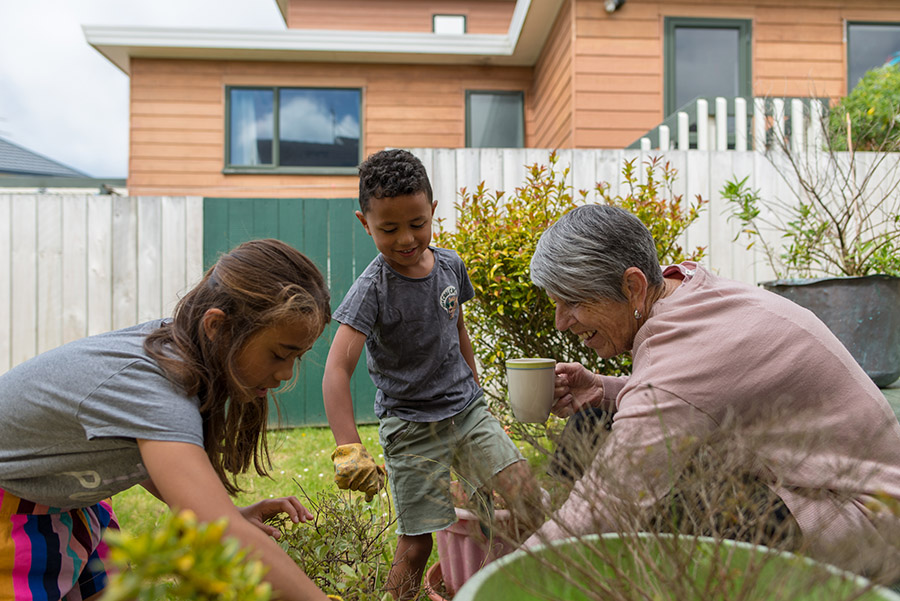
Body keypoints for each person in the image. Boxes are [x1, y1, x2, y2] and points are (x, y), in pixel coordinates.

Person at [525, 204, 900, 582]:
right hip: (807, 480)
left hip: (866, 519)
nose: (561, 322)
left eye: (572, 302)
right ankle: (564, 532)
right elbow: (698, 396)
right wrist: (602, 389)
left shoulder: (685, 356)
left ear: (634, 287)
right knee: (595, 419)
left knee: (683, 507)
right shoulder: (688, 288)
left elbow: (612, 497)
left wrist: (515, 575)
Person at [0, 238, 336, 601]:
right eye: (278, 354)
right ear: (217, 327)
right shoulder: (156, 386)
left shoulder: (179, 350)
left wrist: (229, 514)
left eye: (297, 357)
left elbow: (146, 458)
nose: (286, 373)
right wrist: (228, 524)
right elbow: (223, 534)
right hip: (12, 512)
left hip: (70, 504)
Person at [322, 149, 543, 600]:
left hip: (467, 412)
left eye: (417, 224)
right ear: (365, 224)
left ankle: (523, 587)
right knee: (417, 543)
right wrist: (349, 448)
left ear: (433, 212)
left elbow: (457, 329)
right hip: (410, 428)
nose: (406, 238)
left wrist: (478, 396)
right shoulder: (372, 289)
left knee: (528, 497)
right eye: (389, 228)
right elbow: (336, 368)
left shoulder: (449, 266)